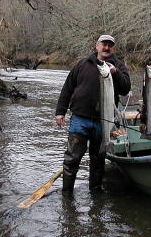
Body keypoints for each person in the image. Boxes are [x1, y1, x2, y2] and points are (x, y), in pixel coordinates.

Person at [55, 34, 131, 192]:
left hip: (103, 121)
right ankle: (67, 194)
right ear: (96, 46)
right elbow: (67, 88)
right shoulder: (82, 64)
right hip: (79, 119)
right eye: (104, 44)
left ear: (113, 48)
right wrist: (60, 111)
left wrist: (115, 73)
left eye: (110, 45)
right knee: (72, 158)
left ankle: (95, 193)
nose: (106, 47)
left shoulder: (119, 66)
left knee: (98, 160)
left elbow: (125, 89)